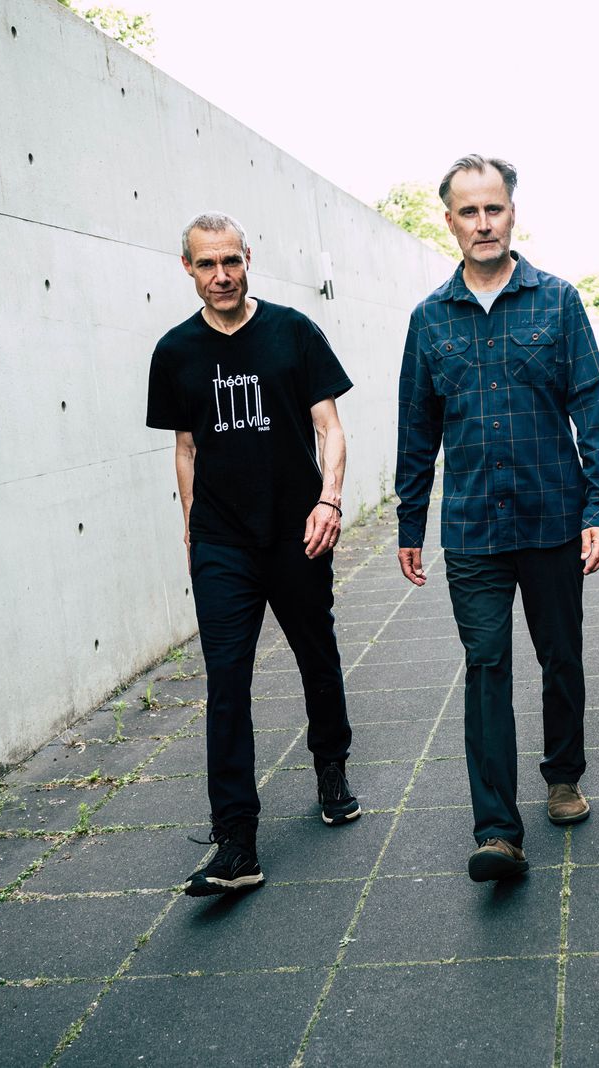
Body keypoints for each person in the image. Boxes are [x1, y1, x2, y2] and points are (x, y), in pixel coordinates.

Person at [395, 155, 599, 883]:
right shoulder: (429, 319)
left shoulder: (557, 302)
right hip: (472, 528)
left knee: (561, 655)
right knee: (486, 664)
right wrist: (409, 521)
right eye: (469, 211)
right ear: (450, 221)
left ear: (512, 213)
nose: (483, 223)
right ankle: (496, 829)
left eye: (493, 208)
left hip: (553, 517)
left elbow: (592, 407)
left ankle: (563, 774)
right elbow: (415, 427)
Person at [146, 211, 361, 896]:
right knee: (226, 683)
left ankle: (331, 765)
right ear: (188, 268)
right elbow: (185, 448)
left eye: (231, 261)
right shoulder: (174, 351)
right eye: (207, 264)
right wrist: (191, 528)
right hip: (221, 541)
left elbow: (330, 426)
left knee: (316, 654)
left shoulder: (293, 331)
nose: (222, 276)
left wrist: (329, 500)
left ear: (248, 258)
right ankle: (236, 840)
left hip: (298, 531)